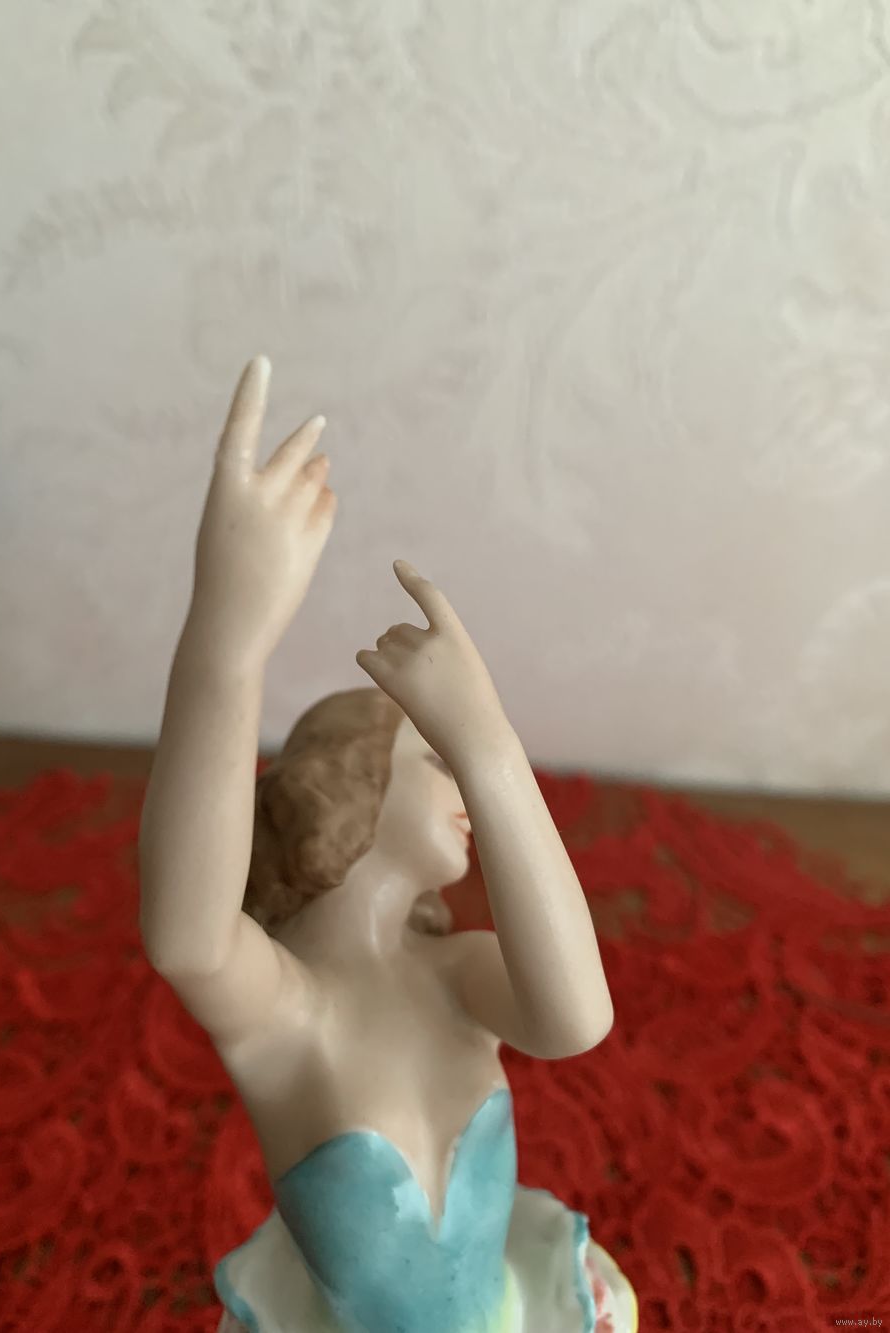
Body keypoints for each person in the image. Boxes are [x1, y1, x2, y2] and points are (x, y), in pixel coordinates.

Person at [139, 357, 637, 1332]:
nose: (465, 792)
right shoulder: (286, 1010)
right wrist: (227, 635)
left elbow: (576, 1019)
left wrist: (490, 749)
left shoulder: (460, 976)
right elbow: (186, 939)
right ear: (356, 781)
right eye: (436, 760)